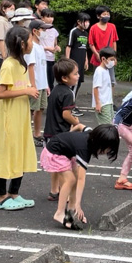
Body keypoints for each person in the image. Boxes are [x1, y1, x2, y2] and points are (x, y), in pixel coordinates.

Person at [0, 27, 39, 211]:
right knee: (7, 154)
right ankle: (0, 196)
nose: (32, 43)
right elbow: (1, 93)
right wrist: (27, 90)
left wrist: (30, 90)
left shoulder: (21, 64)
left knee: (21, 152)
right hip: (10, 119)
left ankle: (14, 193)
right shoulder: (9, 65)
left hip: (21, 117)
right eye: (30, 40)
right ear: (21, 44)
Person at [42, 125, 119, 229]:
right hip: (54, 152)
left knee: (74, 178)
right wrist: (79, 205)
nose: (108, 151)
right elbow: (81, 179)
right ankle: (59, 213)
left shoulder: (91, 134)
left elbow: (79, 126)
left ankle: (71, 211)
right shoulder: (84, 148)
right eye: (108, 148)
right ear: (100, 143)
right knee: (71, 180)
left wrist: (70, 135)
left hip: (65, 152)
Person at [43, 58, 81, 203]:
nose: (78, 76)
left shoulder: (55, 90)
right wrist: (76, 122)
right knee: (66, 166)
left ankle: (54, 191)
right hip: (61, 135)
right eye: (75, 74)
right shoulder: (68, 93)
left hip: (49, 133)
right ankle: (67, 195)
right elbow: (66, 115)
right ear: (65, 78)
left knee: (55, 165)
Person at [24, 20, 50, 146]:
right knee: (31, 109)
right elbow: (31, 67)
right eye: (43, 30)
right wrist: (33, 85)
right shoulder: (32, 47)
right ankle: (26, 134)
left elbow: (42, 68)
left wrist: (46, 85)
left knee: (40, 109)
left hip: (42, 84)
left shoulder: (40, 46)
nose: (45, 32)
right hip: (35, 84)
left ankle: (37, 133)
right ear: (35, 31)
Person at [65, 12, 91, 115]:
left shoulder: (85, 33)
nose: (87, 23)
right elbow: (68, 46)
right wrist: (67, 61)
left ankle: (72, 103)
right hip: (73, 61)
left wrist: (86, 60)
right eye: (85, 21)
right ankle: (70, 105)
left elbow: (84, 48)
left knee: (78, 83)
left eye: (88, 21)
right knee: (72, 83)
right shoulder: (74, 31)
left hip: (81, 61)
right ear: (79, 22)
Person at [88, 6, 119, 86]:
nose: (107, 16)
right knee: (98, 81)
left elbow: (114, 41)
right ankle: (97, 98)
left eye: (108, 14)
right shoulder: (93, 28)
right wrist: (97, 54)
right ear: (98, 16)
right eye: (104, 14)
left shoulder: (112, 27)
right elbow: (91, 44)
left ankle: (110, 98)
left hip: (110, 57)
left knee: (111, 81)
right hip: (97, 57)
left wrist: (114, 56)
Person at [39, 8, 61, 90]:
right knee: (44, 81)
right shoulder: (39, 30)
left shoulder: (54, 31)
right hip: (42, 58)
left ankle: (50, 100)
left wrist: (57, 47)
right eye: (48, 17)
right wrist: (47, 48)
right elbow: (36, 45)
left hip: (51, 58)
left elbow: (55, 44)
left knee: (51, 80)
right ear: (42, 18)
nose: (51, 19)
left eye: (52, 17)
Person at [93, 47, 117, 125]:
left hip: (108, 102)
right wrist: (97, 104)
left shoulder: (106, 70)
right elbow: (96, 88)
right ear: (103, 59)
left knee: (110, 125)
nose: (113, 62)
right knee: (106, 127)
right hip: (103, 104)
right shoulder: (99, 71)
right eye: (111, 59)